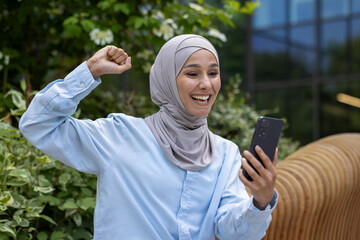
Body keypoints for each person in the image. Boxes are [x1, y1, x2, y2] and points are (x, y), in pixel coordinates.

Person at [19, 34, 278, 240]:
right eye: (192, 73)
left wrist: (260, 200)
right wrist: (90, 71)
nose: (206, 85)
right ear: (167, 79)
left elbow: (234, 233)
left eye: (213, 73)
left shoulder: (224, 153)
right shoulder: (120, 136)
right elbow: (38, 124)